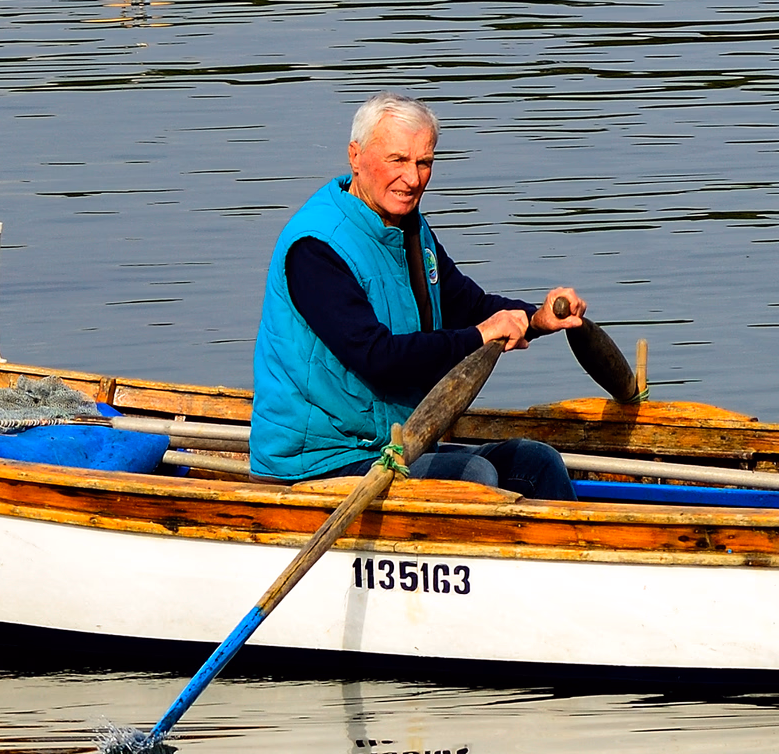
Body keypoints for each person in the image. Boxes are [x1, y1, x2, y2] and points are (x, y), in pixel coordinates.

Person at [249, 94, 587, 497]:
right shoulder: (316, 248)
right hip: (320, 462)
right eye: (397, 160)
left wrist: (536, 319)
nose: (412, 178)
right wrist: (481, 335)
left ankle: (564, 538)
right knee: (472, 476)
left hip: (397, 444)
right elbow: (378, 359)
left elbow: (467, 307)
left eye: (423, 162)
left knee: (537, 462)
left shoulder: (409, 226)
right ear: (355, 157)